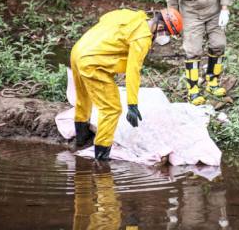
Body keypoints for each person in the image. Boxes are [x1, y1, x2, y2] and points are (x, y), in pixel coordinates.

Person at [70, 8, 183, 160]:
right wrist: (132, 105)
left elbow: (104, 17)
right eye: (167, 34)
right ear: (161, 27)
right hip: (92, 62)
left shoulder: (133, 15)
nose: (164, 38)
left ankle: (81, 140)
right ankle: (101, 157)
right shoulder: (143, 38)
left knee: (83, 98)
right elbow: (133, 71)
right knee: (111, 109)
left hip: (78, 51)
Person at [166, 0, 232, 106]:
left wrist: (224, 8)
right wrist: (174, 21)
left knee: (218, 45)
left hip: (213, 11)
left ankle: (212, 82)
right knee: (193, 51)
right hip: (191, 15)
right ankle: (193, 90)